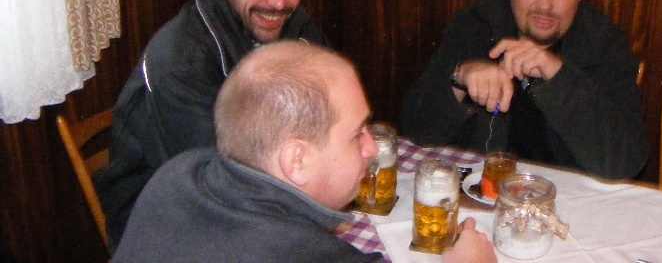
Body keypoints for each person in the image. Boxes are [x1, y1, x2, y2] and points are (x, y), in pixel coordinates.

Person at [113, 41, 497, 263]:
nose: (371, 148)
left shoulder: (178, 174)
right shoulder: (301, 252)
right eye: (356, 135)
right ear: (297, 161)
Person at [96, 0, 330, 251]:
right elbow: (222, 186)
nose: (279, 0)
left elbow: (328, 104)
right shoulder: (182, 63)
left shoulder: (289, 24)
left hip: (250, 196)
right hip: (162, 228)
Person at [401, 0, 649, 180]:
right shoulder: (476, 26)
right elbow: (417, 131)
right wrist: (460, 78)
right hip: (482, 191)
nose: (545, 4)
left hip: (570, 196)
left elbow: (625, 162)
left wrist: (557, 75)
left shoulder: (604, 44)